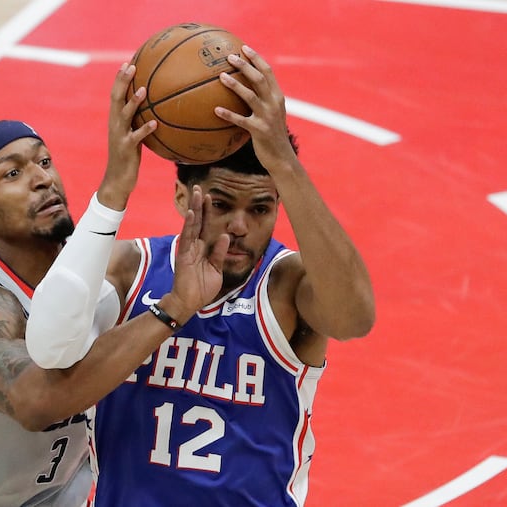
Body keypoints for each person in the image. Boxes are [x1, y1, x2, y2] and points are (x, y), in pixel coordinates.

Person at [26, 45, 376, 506]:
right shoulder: (130, 270)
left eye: (261, 208)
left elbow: (355, 319)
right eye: (222, 204)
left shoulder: (285, 287)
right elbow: (50, 372)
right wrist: (172, 306)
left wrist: (286, 167)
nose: (240, 226)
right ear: (180, 196)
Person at [0, 61, 230, 507]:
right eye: (12, 173)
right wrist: (169, 309)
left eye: (43, 160)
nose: (42, 178)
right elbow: (37, 404)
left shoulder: (96, 270)